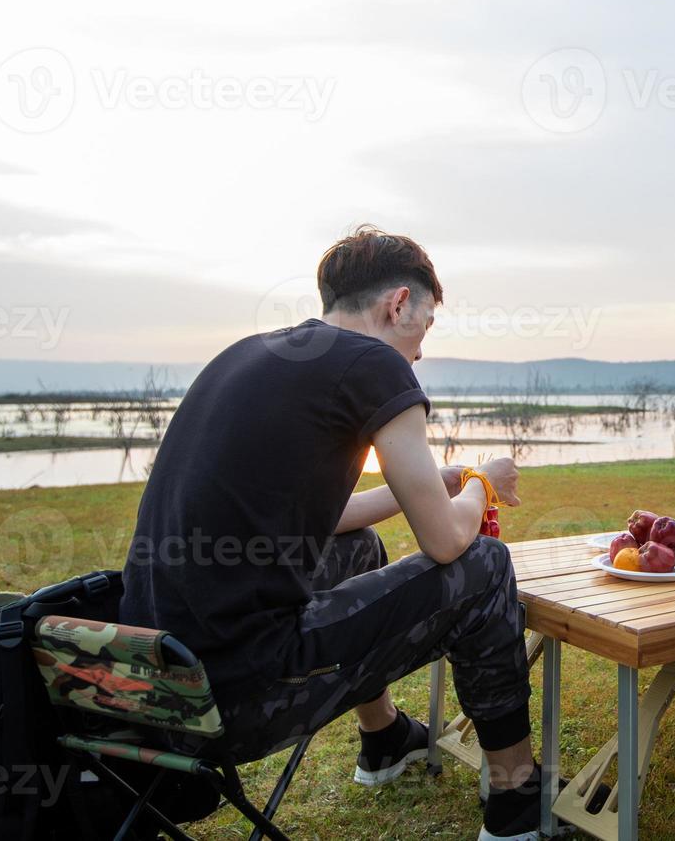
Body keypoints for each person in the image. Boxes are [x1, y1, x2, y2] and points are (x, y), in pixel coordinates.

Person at [120, 226, 548, 841]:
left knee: (355, 550)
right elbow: (448, 545)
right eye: (423, 329)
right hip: (235, 700)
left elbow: (324, 515)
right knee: (483, 568)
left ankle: (384, 739)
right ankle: (516, 806)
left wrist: (439, 479)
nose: (420, 353)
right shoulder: (373, 364)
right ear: (398, 304)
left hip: (156, 678)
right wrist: (483, 481)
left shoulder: (250, 353)